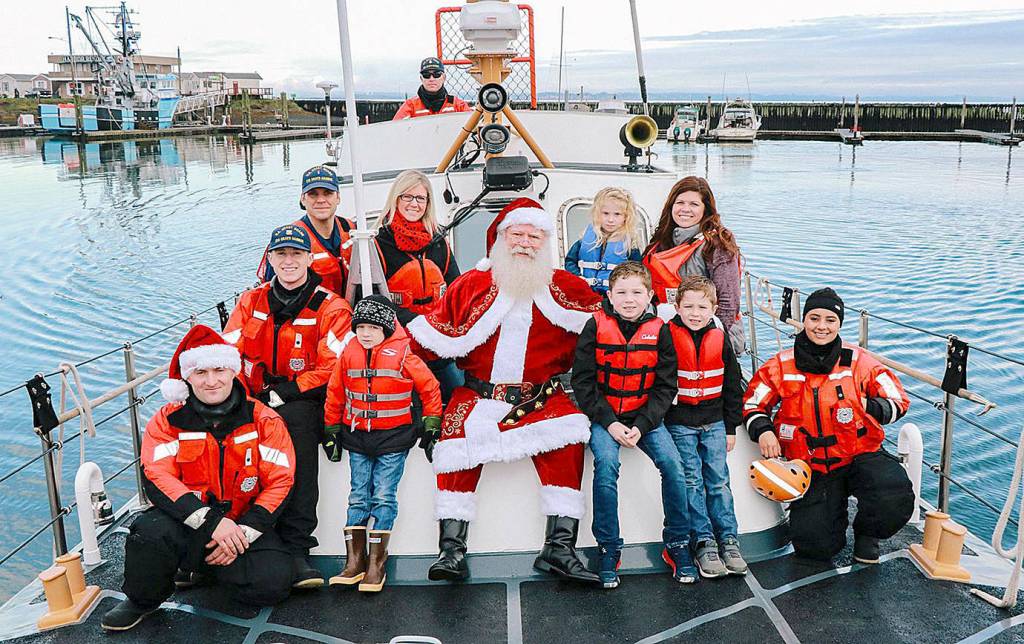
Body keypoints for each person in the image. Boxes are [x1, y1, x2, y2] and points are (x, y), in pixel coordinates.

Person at [406, 197, 602, 584]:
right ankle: (451, 550)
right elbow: (426, 339)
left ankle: (559, 549)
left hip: (543, 396)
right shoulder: (472, 285)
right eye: (518, 234)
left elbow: (611, 321)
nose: (525, 243)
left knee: (569, 440)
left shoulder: (565, 286)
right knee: (455, 448)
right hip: (477, 396)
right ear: (500, 238)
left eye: (534, 236)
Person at [101, 326, 295, 631]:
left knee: (273, 584)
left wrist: (241, 533)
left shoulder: (264, 419)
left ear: (232, 371)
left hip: (242, 526)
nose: (211, 380)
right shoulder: (166, 422)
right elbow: (156, 478)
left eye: (219, 369)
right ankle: (142, 600)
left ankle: (205, 568)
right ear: (187, 378)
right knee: (148, 532)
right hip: (187, 523)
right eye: (200, 371)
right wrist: (212, 523)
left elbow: (280, 482)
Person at [223, 224, 353, 588]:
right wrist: (238, 396)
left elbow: (332, 366)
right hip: (252, 395)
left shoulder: (331, 307)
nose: (289, 261)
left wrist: (284, 394)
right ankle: (231, 535)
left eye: (296, 254)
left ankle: (297, 549)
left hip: (304, 399)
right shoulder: (250, 301)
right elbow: (230, 350)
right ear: (271, 259)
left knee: (297, 455)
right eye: (281, 254)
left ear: (309, 259)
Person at [744, 288, 915, 563]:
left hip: (860, 454)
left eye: (830, 320)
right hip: (810, 465)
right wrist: (763, 430)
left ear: (839, 324)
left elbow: (898, 400)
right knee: (814, 546)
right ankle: (828, 516)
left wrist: (867, 405)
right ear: (804, 320)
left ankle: (867, 533)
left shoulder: (859, 361)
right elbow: (752, 403)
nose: (821, 326)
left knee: (893, 494)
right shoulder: (780, 365)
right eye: (814, 318)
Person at [570, 262, 694, 588]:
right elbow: (583, 383)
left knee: (673, 465)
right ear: (609, 296)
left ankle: (678, 543)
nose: (629, 299)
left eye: (637, 292)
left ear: (650, 295)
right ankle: (609, 547)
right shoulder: (594, 327)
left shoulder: (661, 330)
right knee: (606, 465)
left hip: (646, 420)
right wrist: (609, 423)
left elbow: (666, 387)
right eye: (621, 292)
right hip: (605, 418)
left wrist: (642, 424)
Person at [322, 295, 443, 593]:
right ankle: (354, 563)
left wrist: (431, 426)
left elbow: (430, 388)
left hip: (393, 439)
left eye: (373, 328)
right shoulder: (347, 355)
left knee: (385, 497)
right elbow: (335, 392)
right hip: (358, 438)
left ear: (387, 329)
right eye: (360, 327)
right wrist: (331, 430)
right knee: (358, 497)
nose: (365, 333)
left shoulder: (404, 354)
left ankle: (376, 564)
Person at [664, 276, 748, 578]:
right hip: (680, 423)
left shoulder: (719, 337)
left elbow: (732, 384)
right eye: (688, 306)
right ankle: (703, 540)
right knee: (691, 481)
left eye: (703, 306)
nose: (695, 313)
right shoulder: (668, 335)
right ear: (677, 307)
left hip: (714, 423)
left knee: (718, 481)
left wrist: (730, 426)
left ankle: (728, 538)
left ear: (713, 308)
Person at [374, 169, 463, 400]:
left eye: (420, 198)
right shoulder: (378, 244)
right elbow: (374, 300)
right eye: (407, 197)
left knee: (460, 394)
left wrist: (442, 326)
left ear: (427, 203)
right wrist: (416, 323)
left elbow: (456, 286)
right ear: (396, 198)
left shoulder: (438, 241)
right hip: (400, 345)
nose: (414, 203)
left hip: (439, 343)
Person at [643, 176, 744, 355]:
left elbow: (728, 302)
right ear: (671, 206)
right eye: (680, 202)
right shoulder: (661, 241)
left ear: (706, 209)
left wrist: (709, 340)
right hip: (667, 330)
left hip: (706, 336)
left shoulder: (717, 243)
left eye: (694, 204)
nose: (685, 209)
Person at [258, 165, 353, 296]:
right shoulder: (288, 240)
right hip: (310, 314)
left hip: (347, 310)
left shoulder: (350, 228)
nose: (321, 200)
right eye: (313, 194)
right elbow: (271, 292)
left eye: (328, 193)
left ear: (338, 197)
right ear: (303, 199)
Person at [564, 187, 644, 295]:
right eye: (605, 213)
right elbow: (570, 261)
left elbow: (636, 272)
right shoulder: (584, 239)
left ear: (626, 217)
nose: (610, 220)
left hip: (612, 298)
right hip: (583, 292)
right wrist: (578, 278)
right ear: (597, 213)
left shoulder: (630, 245)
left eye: (617, 214)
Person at [392, 57, 471, 120]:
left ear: (444, 78)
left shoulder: (457, 105)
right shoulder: (410, 105)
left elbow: (473, 127)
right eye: (426, 75)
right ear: (421, 79)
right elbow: (395, 130)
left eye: (437, 74)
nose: (431, 79)